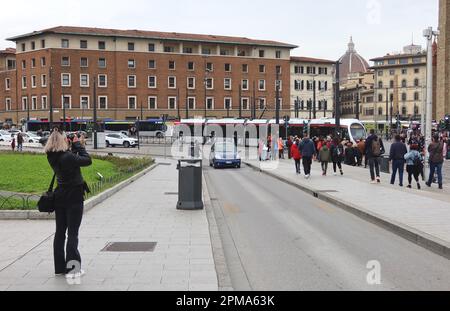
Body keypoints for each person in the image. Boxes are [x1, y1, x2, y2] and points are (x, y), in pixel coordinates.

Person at [44, 129, 92, 279]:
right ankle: (73, 270)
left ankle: (59, 268)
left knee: (60, 233)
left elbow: (68, 158)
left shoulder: (52, 155)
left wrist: (72, 146)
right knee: (72, 233)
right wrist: (79, 145)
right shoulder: (68, 157)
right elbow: (87, 160)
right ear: (62, 141)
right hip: (74, 198)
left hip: (60, 198)